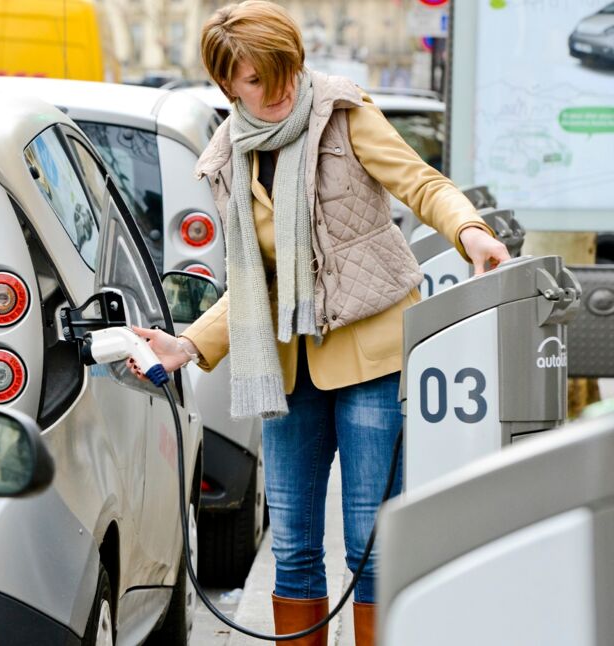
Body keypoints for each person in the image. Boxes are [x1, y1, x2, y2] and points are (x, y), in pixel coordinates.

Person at [130, 3, 511, 645]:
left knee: (370, 541)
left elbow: (420, 184)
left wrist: (470, 230)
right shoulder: (229, 157)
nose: (274, 91)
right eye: (254, 80)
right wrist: (188, 344)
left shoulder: (342, 113)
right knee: (295, 544)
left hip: (370, 354)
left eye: (281, 73)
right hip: (285, 367)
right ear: (228, 86)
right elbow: (257, 283)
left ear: (297, 64)